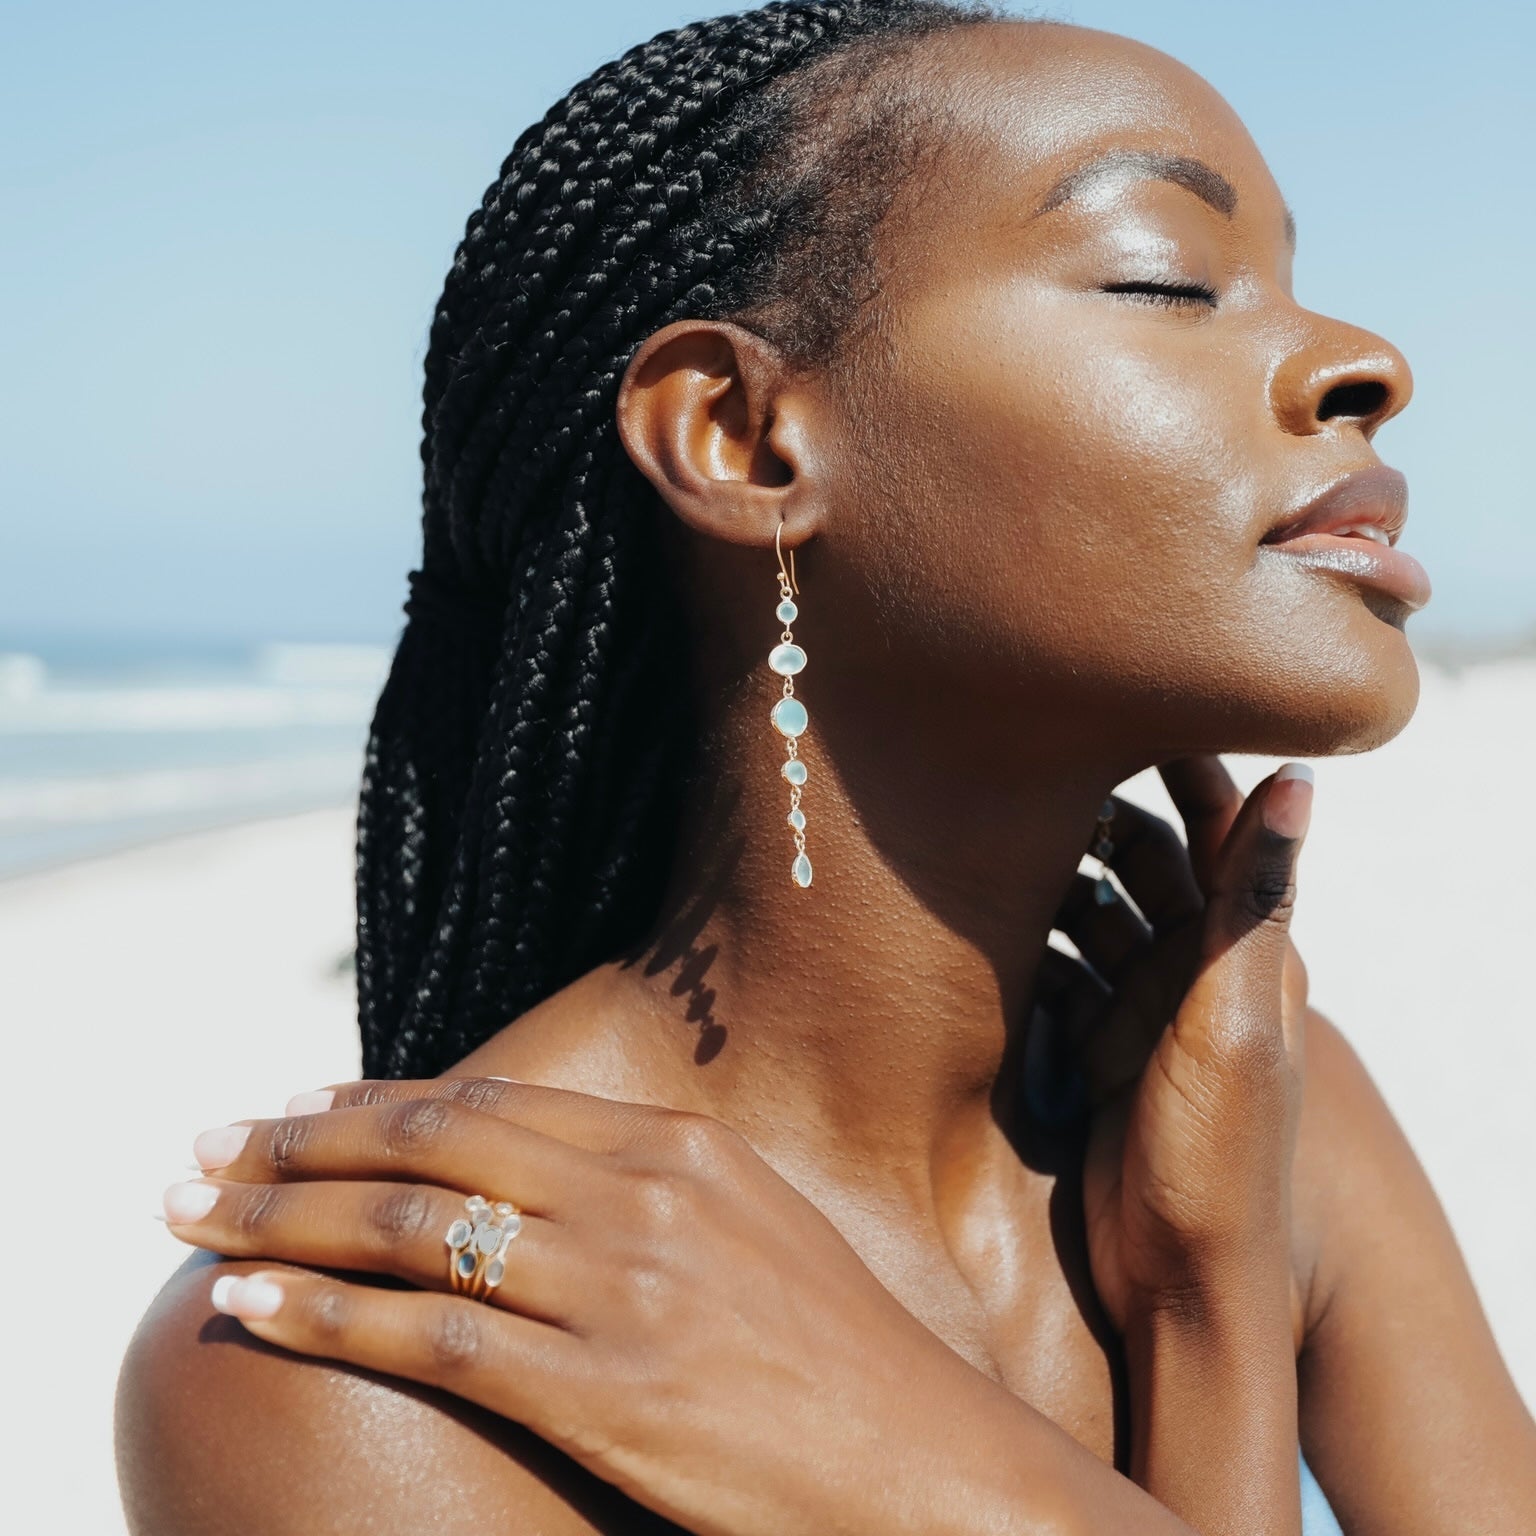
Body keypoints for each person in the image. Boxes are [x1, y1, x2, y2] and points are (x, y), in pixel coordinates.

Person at [115, 4, 1536, 1532]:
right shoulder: (373, 1361)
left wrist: (1197, 1314)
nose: (1367, 362)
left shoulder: (1249, 1129)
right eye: (1167, 281)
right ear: (745, 438)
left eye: (1293, 284)